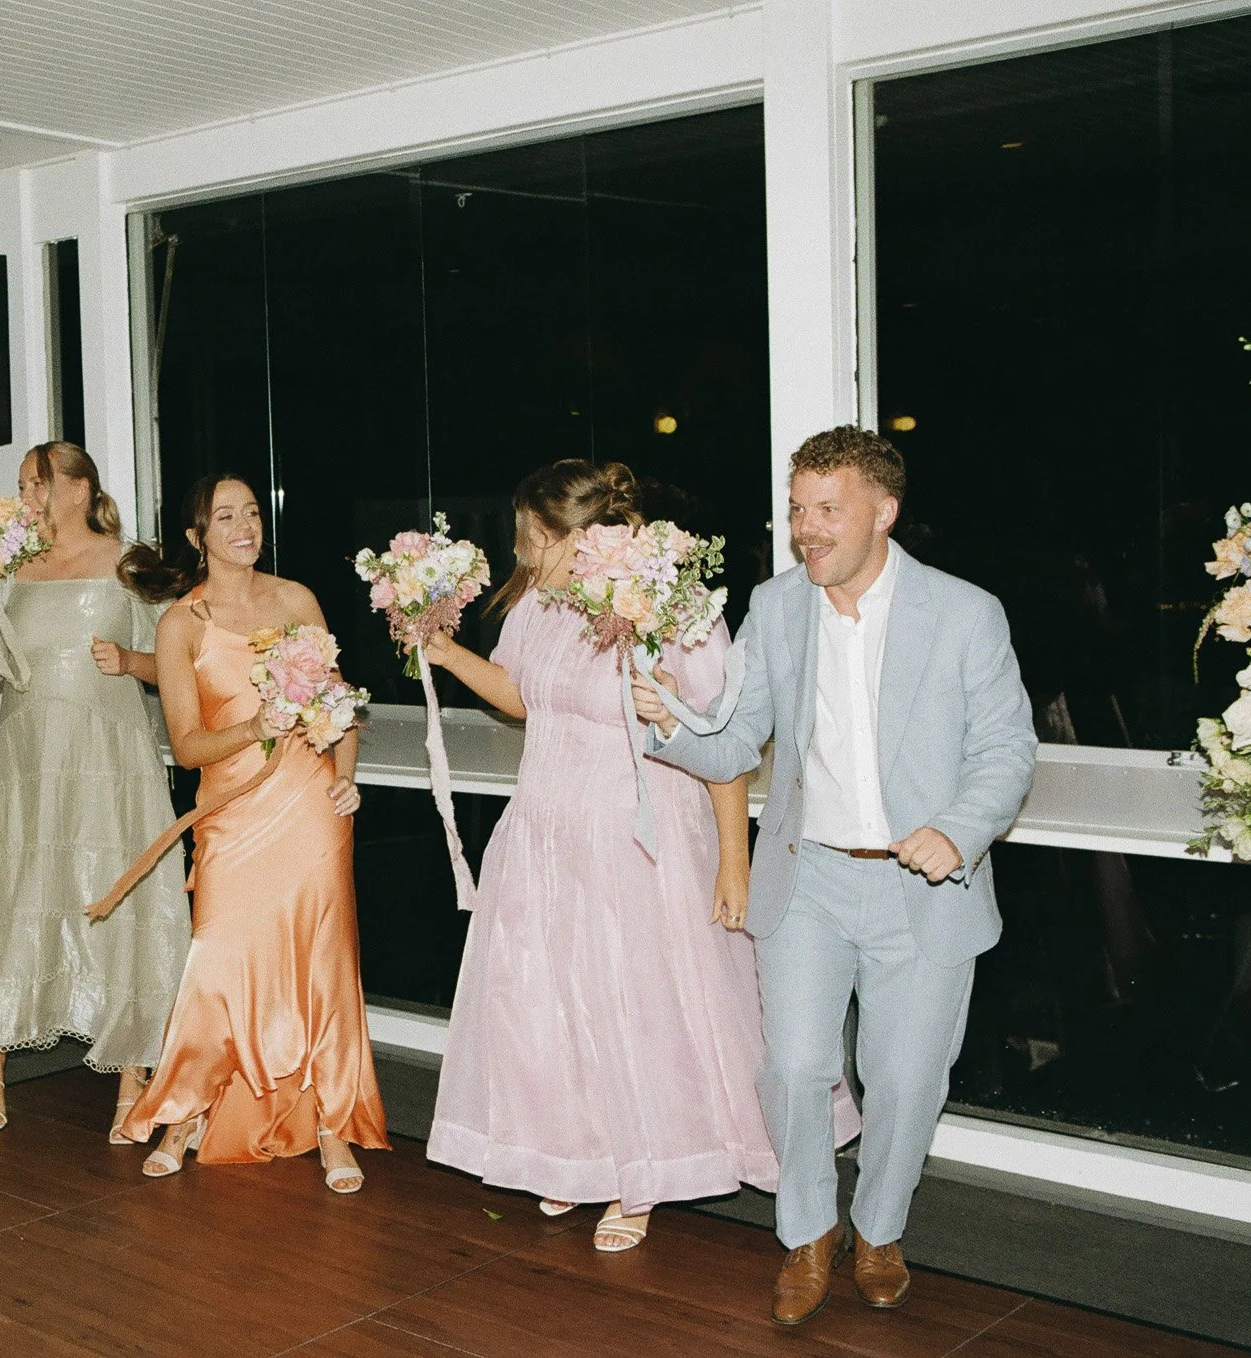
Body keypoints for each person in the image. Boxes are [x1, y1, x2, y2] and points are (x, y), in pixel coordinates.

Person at [633, 426, 1036, 1325]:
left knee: (906, 1081)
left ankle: (880, 1230)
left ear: (884, 512)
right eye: (796, 510)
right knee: (795, 1068)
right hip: (808, 878)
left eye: (826, 510)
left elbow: (1008, 750)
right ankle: (808, 1233)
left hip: (922, 888)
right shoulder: (777, 606)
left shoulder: (965, 613)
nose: (805, 529)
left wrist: (958, 831)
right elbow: (736, 740)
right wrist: (669, 721)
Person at [423, 459, 854, 1251]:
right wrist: (448, 655)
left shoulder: (664, 606)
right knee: (552, 1005)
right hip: (544, 834)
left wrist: (734, 863)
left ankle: (642, 1175)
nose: (519, 552)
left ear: (570, 535)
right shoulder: (538, 605)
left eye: (528, 537)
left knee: (639, 1011)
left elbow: (723, 742)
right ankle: (578, 1155)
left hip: (637, 842)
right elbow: (525, 698)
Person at [113, 474, 388, 1191]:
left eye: (253, 513)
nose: (244, 527)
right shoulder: (181, 625)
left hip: (310, 806)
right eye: (226, 516)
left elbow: (339, 706)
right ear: (197, 537)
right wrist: (254, 727)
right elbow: (187, 746)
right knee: (219, 959)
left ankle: (331, 1123)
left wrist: (345, 775)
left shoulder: (296, 600)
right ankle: (185, 1112)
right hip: (233, 814)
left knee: (321, 963)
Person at [0, 442, 191, 1138]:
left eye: (38, 483)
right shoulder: (5, 569)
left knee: (120, 898)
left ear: (79, 488)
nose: (27, 496)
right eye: (24, 485)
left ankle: (132, 1070)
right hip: (28, 762)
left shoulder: (129, 565)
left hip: (110, 761)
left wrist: (129, 660)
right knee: (14, 895)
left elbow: (177, 665)